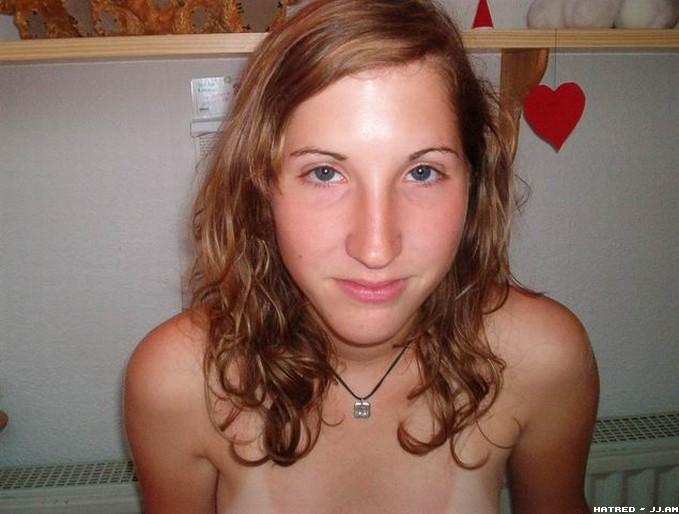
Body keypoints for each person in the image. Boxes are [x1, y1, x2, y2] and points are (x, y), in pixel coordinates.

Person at [123, 0, 600, 512]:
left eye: (422, 172)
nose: (376, 249)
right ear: (259, 188)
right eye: (325, 173)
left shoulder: (542, 359)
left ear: (474, 183)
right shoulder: (179, 383)